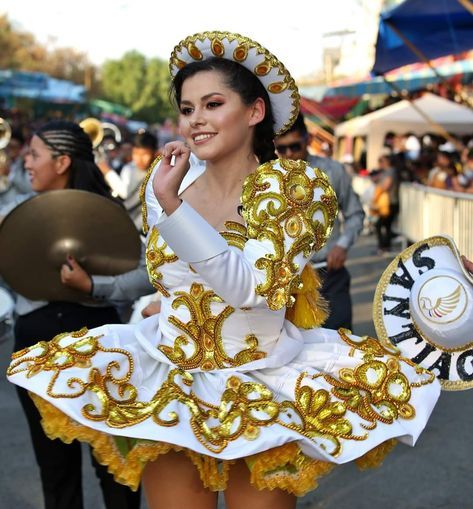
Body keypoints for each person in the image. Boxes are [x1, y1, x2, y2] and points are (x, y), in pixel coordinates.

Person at [7, 32, 440, 509]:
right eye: (188, 109)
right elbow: (166, 276)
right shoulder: (166, 184)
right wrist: (160, 299)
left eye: (212, 104)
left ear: (255, 111)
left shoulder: (295, 189)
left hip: (262, 382)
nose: (196, 121)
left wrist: (173, 207)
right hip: (173, 381)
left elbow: (252, 288)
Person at [3, 121, 141, 509]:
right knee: (55, 466)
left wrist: (94, 286)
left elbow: (151, 273)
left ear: (62, 161)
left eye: (33, 154)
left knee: (116, 463)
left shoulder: (109, 212)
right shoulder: (14, 212)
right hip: (35, 341)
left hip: (100, 340)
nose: (24, 161)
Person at [274, 112, 364, 330]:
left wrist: (342, 246)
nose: (289, 154)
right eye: (281, 149)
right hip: (288, 282)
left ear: (307, 140)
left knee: (341, 341)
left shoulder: (333, 171)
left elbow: (355, 213)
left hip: (329, 274)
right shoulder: (268, 177)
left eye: (295, 146)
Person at [99, 131, 159, 230]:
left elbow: (124, 192)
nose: (139, 158)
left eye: (144, 154)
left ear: (154, 153)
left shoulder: (157, 171)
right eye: (136, 153)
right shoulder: (129, 168)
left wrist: (107, 172)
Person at [371, 154, 399, 255]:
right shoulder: (385, 172)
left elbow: (386, 185)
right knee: (386, 226)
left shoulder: (391, 171)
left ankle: (383, 246)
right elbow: (375, 179)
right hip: (388, 203)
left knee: (380, 225)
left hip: (391, 202)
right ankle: (385, 247)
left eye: (381, 161)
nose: (380, 164)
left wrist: (377, 192)